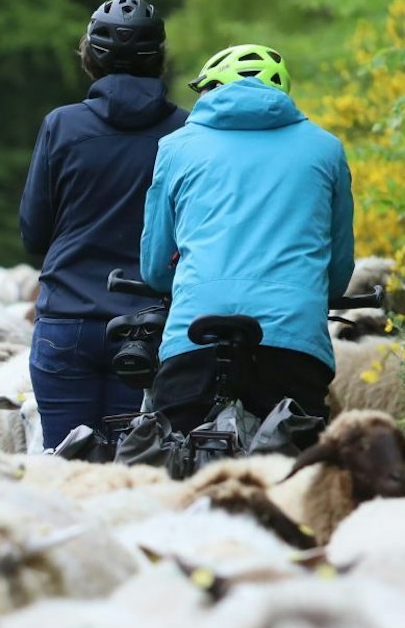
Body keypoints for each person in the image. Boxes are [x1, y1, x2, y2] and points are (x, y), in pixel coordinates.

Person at [138, 43, 353, 438]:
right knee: (301, 464)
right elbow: (337, 272)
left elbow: (154, 267)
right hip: (293, 335)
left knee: (168, 454)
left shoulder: (175, 148)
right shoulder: (326, 148)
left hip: (195, 332)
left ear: (212, 89)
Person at [19, 0, 188, 452]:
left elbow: (34, 232)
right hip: (152, 324)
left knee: (66, 466)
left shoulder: (62, 126)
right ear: (159, 60)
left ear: (90, 58)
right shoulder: (187, 132)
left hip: (67, 321)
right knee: (136, 466)